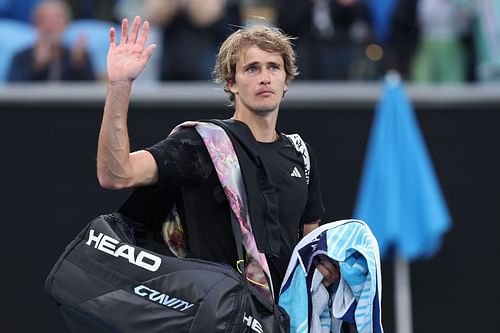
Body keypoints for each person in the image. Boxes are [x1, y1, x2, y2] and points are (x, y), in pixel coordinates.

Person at [97, 16, 337, 301]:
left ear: (286, 80)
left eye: (274, 67)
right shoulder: (201, 144)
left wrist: (328, 269)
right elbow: (117, 174)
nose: (265, 77)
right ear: (231, 83)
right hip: (218, 318)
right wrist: (120, 86)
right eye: (252, 68)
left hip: (286, 320)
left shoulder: (300, 153)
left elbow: (311, 246)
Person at [7, 0, 95, 82]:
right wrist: (37, 67)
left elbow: (91, 92)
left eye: (56, 21)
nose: (50, 26)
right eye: (44, 20)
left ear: (66, 24)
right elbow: (13, 92)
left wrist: (79, 66)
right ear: (35, 25)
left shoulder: (78, 57)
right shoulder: (21, 58)